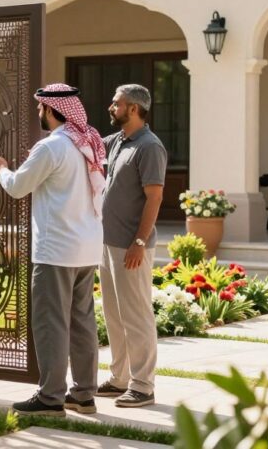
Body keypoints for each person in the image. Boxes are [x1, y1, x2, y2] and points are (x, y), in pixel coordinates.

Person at [0, 83, 106, 417]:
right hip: (86, 247)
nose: (39, 113)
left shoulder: (52, 147)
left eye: (40, 108)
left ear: (51, 109)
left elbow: (16, 187)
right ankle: (84, 395)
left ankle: (51, 397)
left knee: (50, 322)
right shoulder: (87, 143)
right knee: (82, 321)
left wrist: (1, 167)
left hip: (56, 249)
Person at [97, 84, 166, 408]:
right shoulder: (118, 142)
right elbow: (88, 142)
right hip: (108, 243)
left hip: (132, 247)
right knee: (114, 314)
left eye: (117, 103)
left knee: (136, 315)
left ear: (134, 108)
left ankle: (143, 385)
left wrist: (139, 241)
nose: (111, 107)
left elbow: (155, 197)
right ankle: (120, 378)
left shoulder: (149, 147)